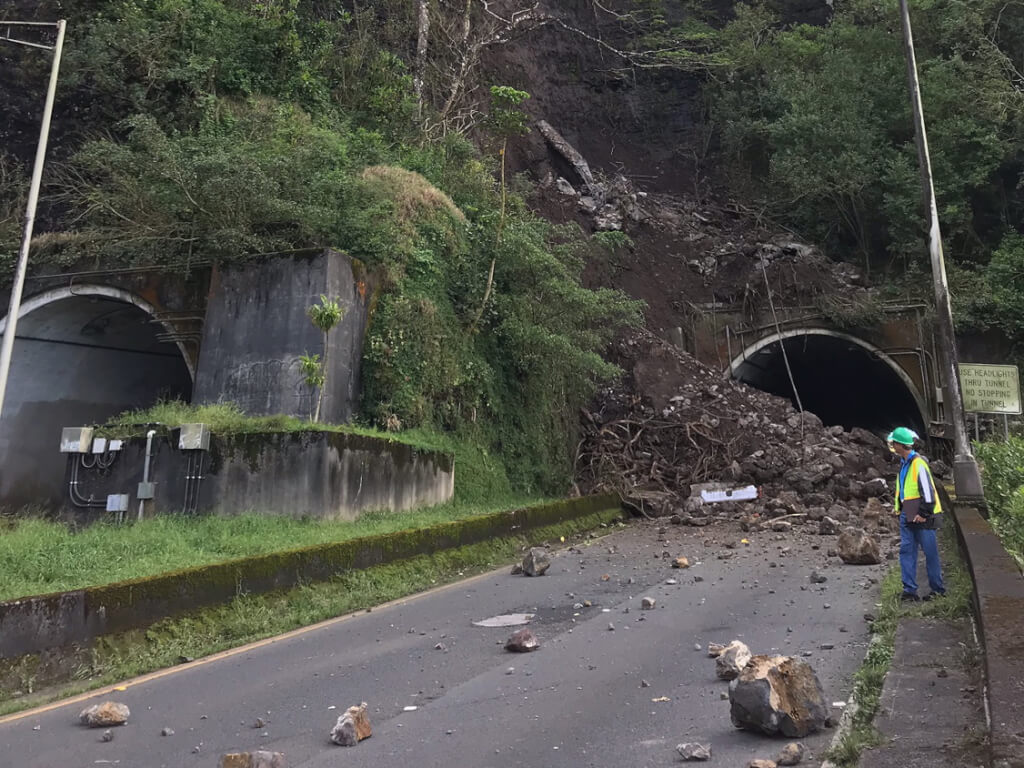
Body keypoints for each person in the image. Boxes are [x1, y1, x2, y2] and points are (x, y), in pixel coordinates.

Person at [887, 427, 945, 602]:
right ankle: (909, 591)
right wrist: (899, 509)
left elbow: (927, 491)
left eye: (894, 443)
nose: (892, 446)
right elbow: (904, 490)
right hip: (908, 515)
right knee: (907, 551)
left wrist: (924, 513)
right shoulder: (905, 464)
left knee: (930, 552)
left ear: (900, 445)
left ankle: (937, 590)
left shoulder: (918, 464)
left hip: (923, 517)